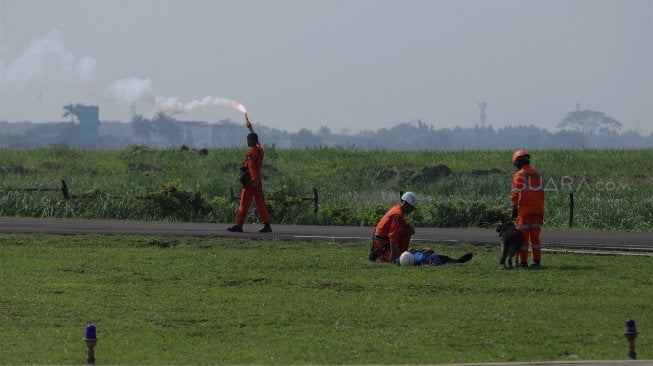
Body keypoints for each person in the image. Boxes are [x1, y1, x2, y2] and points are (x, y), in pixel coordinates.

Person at [369, 192, 473, 264]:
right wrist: (393, 256)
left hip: (382, 242)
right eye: (411, 208)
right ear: (406, 205)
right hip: (383, 245)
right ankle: (451, 261)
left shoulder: (397, 210)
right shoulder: (398, 215)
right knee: (407, 260)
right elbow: (392, 237)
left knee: (407, 230)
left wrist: (407, 226)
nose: (412, 210)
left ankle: (401, 252)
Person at [227, 124, 272, 233]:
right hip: (257, 181)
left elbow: (251, 167)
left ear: (251, 141)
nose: (247, 142)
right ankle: (267, 225)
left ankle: (238, 225)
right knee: (260, 203)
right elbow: (257, 141)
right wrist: (250, 128)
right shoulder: (260, 150)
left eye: (248, 139)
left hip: (251, 181)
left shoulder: (250, 152)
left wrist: (254, 179)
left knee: (244, 204)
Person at [510, 149, 545, 267]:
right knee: (535, 237)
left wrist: (514, 208)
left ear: (517, 163)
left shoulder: (519, 175)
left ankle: (522, 261)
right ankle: (536, 261)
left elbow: (515, 194)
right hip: (538, 210)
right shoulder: (538, 174)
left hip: (525, 211)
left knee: (524, 237)